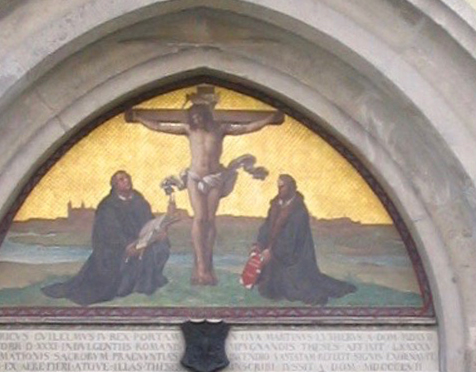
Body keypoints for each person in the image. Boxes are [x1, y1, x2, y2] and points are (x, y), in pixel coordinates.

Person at [127, 86, 282, 285]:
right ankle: (200, 267)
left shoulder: (220, 129)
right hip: (195, 178)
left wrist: (269, 119)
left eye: (201, 116)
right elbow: (160, 126)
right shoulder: (188, 129)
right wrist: (139, 118)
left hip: (215, 177)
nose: (198, 120)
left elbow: (246, 127)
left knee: (210, 220)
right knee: (199, 219)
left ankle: (208, 265)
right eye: (195, 117)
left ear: (206, 116)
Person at [41, 171, 171, 305]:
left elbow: (149, 221)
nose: (126, 181)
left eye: (127, 178)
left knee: (162, 245)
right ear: (115, 185)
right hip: (114, 248)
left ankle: (148, 282)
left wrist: (159, 231)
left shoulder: (138, 199)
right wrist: (127, 246)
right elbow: (109, 233)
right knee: (121, 263)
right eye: (121, 179)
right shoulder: (107, 206)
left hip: (142, 240)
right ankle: (126, 286)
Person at [249, 174, 356, 305]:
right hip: (274, 254)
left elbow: (291, 239)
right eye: (279, 187)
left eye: (282, 187)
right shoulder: (275, 205)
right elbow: (266, 226)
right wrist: (260, 244)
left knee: (296, 290)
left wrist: (271, 252)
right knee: (267, 290)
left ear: (291, 188)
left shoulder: (299, 211)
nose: (279, 190)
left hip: (294, 260)